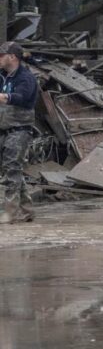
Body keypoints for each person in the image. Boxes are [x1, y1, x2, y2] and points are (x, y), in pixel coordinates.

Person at [0, 42, 37, 224]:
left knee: (12, 170)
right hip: (3, 129)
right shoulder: (2, 77)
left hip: (20, 130)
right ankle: (26, 209)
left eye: (1, 55)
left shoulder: (26, 78)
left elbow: (22, 97)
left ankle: (9, 212)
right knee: (10, 169)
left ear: (12, 57)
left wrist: (3, 97)